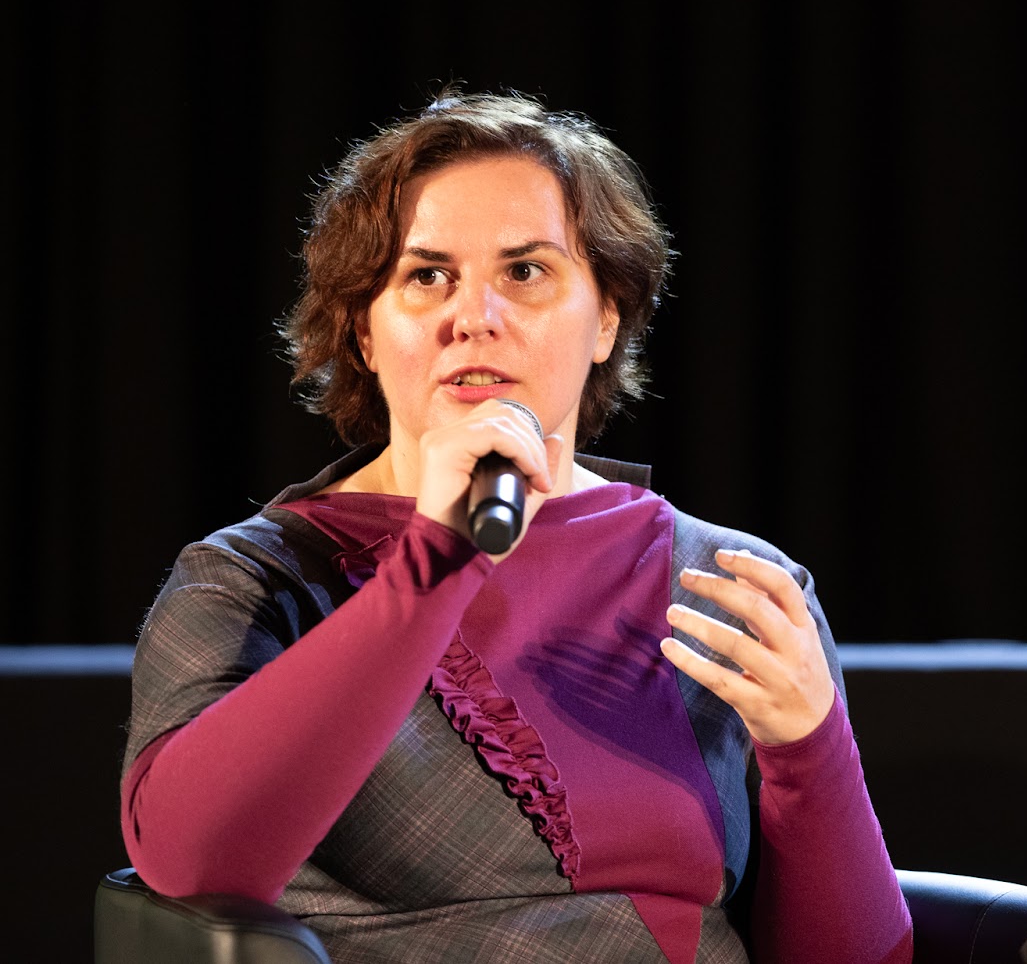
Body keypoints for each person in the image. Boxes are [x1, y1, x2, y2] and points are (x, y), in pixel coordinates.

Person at [119, 88, 915, 963]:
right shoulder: (255, 581)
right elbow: (191, 867)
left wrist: (809, 752)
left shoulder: (732, 585)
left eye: (526, 272)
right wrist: (437, 560)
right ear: (364, 331)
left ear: (607, 316)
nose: (475, 317)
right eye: (427, 277)